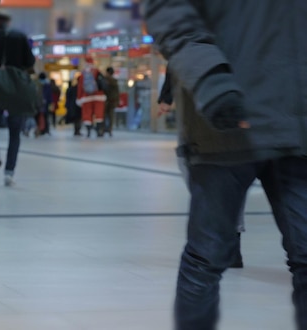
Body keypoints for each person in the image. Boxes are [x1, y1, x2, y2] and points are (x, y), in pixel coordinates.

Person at [145, 1, 307, 329]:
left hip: (295, 127)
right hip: (225, 125)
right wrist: (212, 83)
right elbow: (174, 20)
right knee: (207, 256)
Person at [0, 11, 36, 187]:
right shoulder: (20, 37)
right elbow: (30, 62)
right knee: (15, 133)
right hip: (16, 90)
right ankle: (9, 173)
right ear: (8, 22)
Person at [77, 64, 107, 138]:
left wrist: (79, 97)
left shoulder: (83, 75)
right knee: (99, 114)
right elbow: (103, 84)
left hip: (86, 97)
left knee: (87, 114)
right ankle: (99, 131)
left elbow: (80, 87)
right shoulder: (98, 72)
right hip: (99, 96)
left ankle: (89, 131)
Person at [103, 67, 119, 137]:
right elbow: (117, 93)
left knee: (104, 115)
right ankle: (109, 129)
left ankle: (104, 129)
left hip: (106, 100)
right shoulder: (114, 81)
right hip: (112, 101)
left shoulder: (105, 80)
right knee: (110, 116)